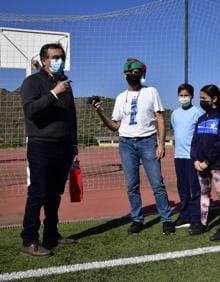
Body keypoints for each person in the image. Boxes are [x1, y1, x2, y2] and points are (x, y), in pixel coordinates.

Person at [91, 57, 175, 235]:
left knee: (157, 183)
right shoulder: (121, 97)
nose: (132, 75)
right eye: (129, 73)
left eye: (136, 73)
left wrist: (161, 143)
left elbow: (160, 118)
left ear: (142, 74)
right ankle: (137, 219)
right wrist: (99, 112)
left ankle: (166, 218)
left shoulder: (151, 91)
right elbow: (115, 126)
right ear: (124, 75)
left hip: (148, 141)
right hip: (126, 144)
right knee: (132, 185)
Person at [20, 43, 77, 257]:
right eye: (55, 57)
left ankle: (51, 234)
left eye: (61, 57)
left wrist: (74, 142)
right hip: (41, 144)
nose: (59, 61)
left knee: (55, 194)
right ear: (44, 60)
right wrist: (54, 93)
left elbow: (71, 115)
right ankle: (29, 240)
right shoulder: (32, 82)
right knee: (38, 192)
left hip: (64, 146)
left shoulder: (64, 83)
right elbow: (30, 110)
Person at [171, 83, 204, 235]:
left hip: (192, 157)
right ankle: (184, 216)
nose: (183, 98)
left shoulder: (198, 113)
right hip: (178, 157)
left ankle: (196, 219)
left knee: (195, 189)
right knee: (182, 189)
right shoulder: (174, 114)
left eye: (186, 95)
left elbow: (202, 136)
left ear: (191, 96)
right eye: (181, 95)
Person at [191, 84, 220, 240]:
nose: (201, 101)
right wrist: (195, 159)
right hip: (201, 165)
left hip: (216, 165)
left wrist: (208, 161)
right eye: (200, 98)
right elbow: (194, 141)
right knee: (204, 194)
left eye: (204, 98)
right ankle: (203, 224)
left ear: (214, 98)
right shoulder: (201, 119)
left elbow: (218, 144)